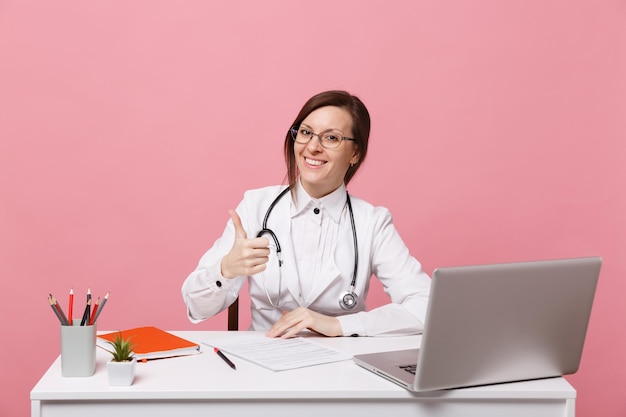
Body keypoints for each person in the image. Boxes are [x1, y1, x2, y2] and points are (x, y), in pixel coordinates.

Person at [182, 90, 431, 338]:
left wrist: (339, 325)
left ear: (355, 153)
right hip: (264, 361)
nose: (312, 147)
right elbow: (196, 307)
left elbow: (426, 306)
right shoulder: (255, 206)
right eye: (305, 132)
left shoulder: (372, 222)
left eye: (331, 138)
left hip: (341, 367)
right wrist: (225, 270)